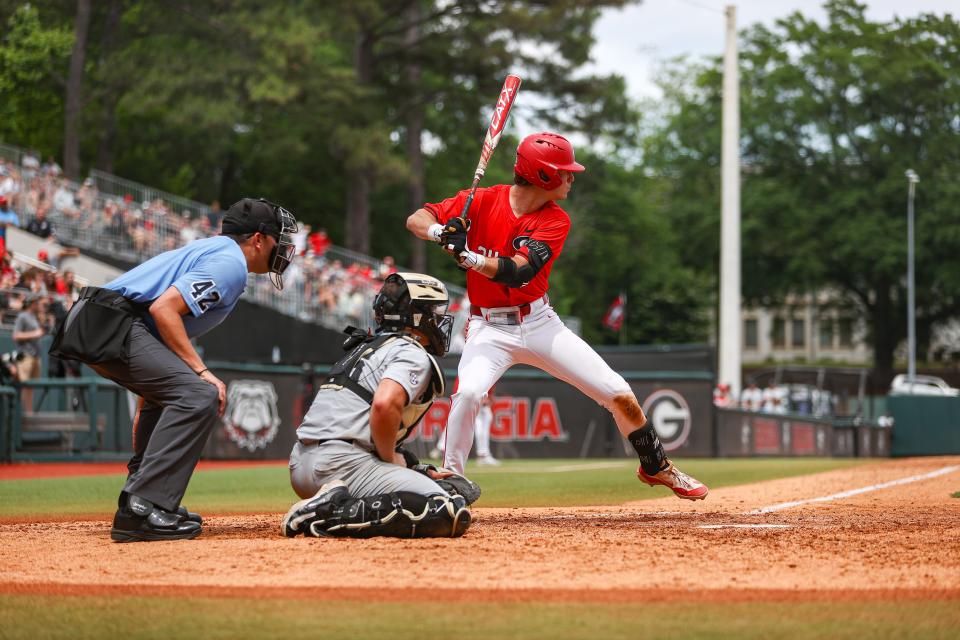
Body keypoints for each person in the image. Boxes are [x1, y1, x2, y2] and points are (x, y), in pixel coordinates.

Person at [406, 132, 708, 500]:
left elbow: (517, 270)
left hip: (538, 324)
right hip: (487, 327)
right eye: (565, 171)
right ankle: (450, 480)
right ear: (543, 176)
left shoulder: (555, 220)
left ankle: (656, 466)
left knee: (619, 394)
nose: (572, 178)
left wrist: (467, 256)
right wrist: (441, 232)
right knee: (468, 393)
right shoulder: (481, 200)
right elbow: (417, 219)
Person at [50, 197, 299, 542]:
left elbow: (157, 315)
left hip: (101, 320)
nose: (283, 247)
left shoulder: (216, 250)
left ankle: (146, 498)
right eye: (278, 238)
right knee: (201, 394)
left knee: (170, 397)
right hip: (112, 322)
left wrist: (154, 391)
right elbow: (164, 308)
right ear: (258, 239)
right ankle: (141, 506)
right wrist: (201, 371)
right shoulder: (231, 263)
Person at [281, 272, 474, 539]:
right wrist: (389, 461)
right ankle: (327, 514)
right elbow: (384, 405)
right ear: (417, 315)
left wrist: (412, 465)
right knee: (447, 509)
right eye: (433, 311)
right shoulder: (410, 351)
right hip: (342, 464)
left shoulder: (367, 347)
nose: (439, 320)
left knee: (435, 490)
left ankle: (334, 501)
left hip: (303, 463)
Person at [12, 293, 47, 414]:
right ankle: (20, 415)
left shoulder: (34, 317)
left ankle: (28, 413)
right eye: (37, 302)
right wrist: (35, 334)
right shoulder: (23, 316)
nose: (39, 305)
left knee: (30, 387)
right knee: (24, 386)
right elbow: (16, 336)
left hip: (35, 356)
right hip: (25, 356)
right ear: (32, 304)